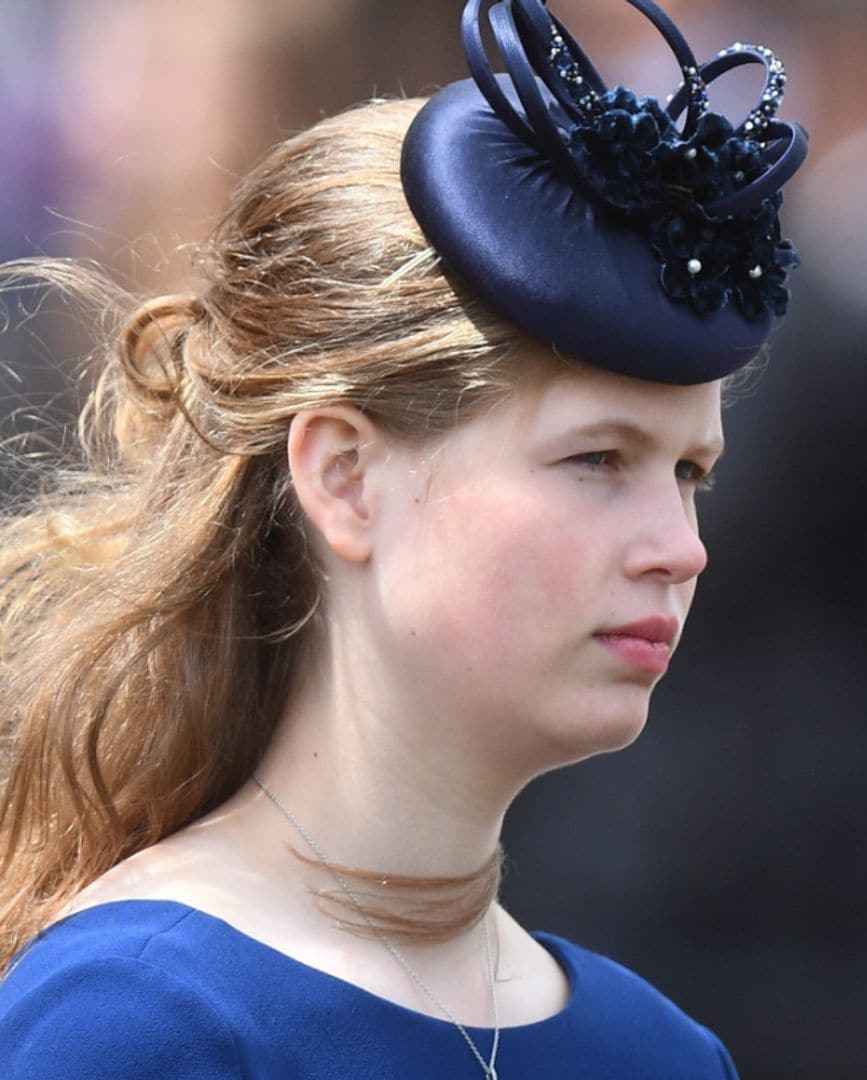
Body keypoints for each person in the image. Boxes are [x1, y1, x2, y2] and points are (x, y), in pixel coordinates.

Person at [0, 1, 805, 1076]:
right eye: (596, 460)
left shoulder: (658, 1050)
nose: (680, 546)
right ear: (345, 477)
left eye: (690, 472)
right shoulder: (137, 1022)